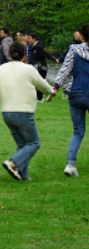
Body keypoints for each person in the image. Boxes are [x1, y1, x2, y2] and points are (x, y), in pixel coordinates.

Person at [0, 42, 54, 181]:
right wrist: (51, 91)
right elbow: (42, 84)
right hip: (24, 112)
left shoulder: (1, 68)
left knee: (23, 145)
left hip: (6, 113)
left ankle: (23, 175)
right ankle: (13, 163)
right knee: (34, 143)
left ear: (9, 54)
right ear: (25, 55)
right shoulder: (28, 69)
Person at [52, 23, 89, 177]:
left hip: (76, 94)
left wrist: (55, 86)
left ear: (82, 36)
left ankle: (70, 164)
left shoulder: (74, 50)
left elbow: (65, 69)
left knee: (78, 131)